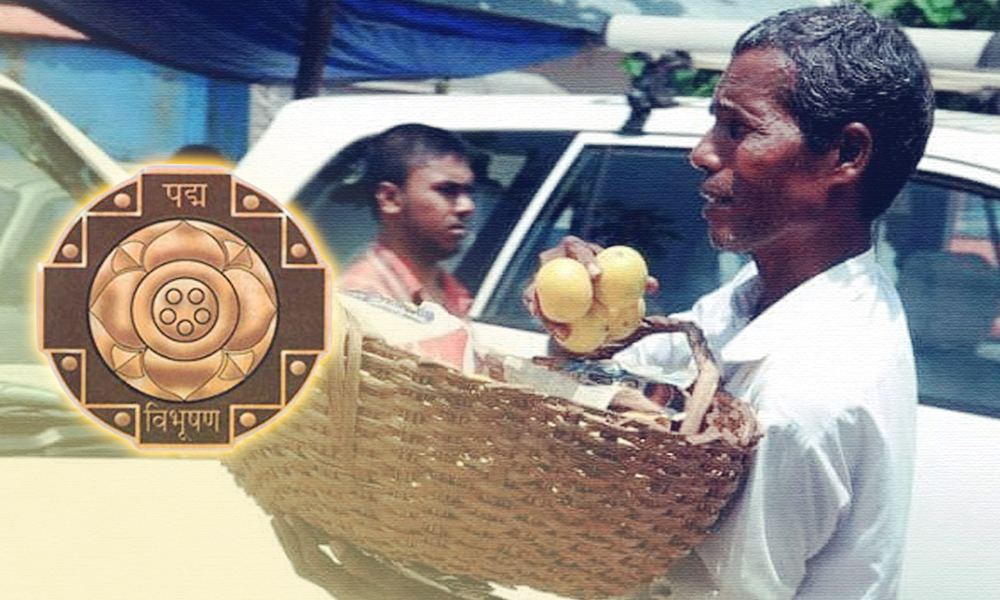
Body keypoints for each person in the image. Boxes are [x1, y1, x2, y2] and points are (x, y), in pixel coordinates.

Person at [535, 4, 932, 599]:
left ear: (846, 156)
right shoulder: (756, 303)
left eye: (737, 128)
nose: (701, 152)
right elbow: (634, 406)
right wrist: (577, 323)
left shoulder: (807, 390)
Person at [337, 123, 477, 318]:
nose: (467, 206)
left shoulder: (452, 292)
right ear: (390, 199)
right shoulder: (361, 300)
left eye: (468, 191)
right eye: (446, 190)